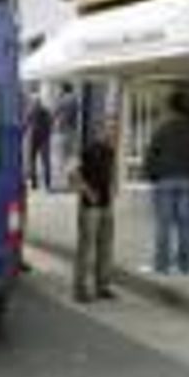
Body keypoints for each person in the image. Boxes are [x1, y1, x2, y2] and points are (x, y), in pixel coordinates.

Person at [145, 93, 189, 275]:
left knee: (164, 225)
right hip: (187, 180)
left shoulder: (162, 128)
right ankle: (186, 266)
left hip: (165, 180)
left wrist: (152, 176)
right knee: (186, 225)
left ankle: (161, 265)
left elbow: (151, 153)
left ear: (170, 107)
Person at [71, 121, 117, 303]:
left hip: (106, 205)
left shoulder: (110, 152)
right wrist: (88, 192)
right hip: (89, 206)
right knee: (86, 249)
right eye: (108, 129)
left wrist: (112, 191)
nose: (111, 133)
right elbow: (73, 174)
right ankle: (80, 288)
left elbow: (111, 174)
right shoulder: (86, 150)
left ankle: (102, 286)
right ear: (98, 131)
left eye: (112, 129)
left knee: (105, 247)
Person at [26, 94, 54, 192]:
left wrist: (47, 132)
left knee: (43, 161)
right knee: (35, 161)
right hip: (36, 138)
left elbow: (50, 123)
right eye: (35, 102)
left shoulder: (42, 112)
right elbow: (26, 123)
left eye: (36, 102)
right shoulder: (32, 111)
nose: (36, 103)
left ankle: (45, 183)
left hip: (40, 138)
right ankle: (37, 183)